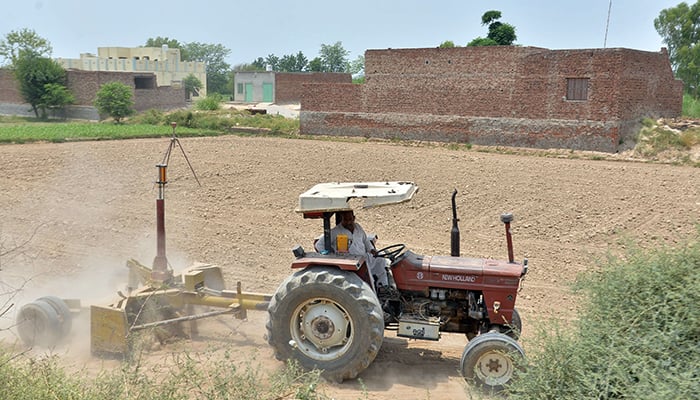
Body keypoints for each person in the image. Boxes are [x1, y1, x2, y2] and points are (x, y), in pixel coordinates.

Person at [315, 210, 389, 287]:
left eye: (350, 219)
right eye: (345, 220)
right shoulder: (336, 231)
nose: (348, 222)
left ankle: (383, 286)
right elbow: (319, 245)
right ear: (341, 219)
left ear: (353, 218)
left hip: (364, 257)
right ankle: (372, 289)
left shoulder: (358, 227)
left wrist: (371, 249)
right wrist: (330, 255)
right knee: (366, 270)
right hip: (351, 262)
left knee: (381, 260)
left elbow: (365, 240)